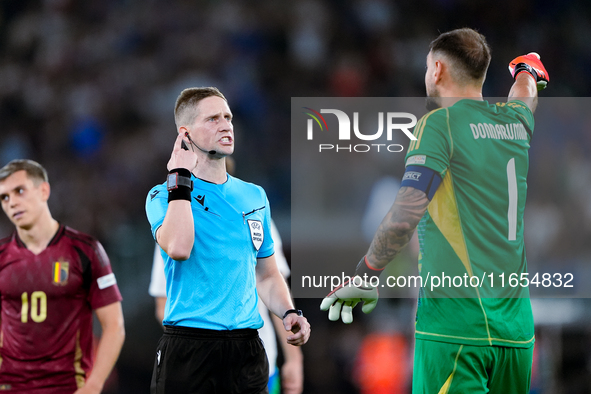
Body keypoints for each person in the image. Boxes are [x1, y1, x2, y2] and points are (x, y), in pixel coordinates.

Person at [321, 28, 549, 393]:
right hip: (516, 333)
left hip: (456, 330)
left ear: (438, 70)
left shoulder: (438, 124)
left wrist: (366, 273)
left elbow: (407, 211)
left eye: (428, 67)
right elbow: (526, 97)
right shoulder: (514, 123)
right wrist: (528, 70)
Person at [145, 86, 310, 394]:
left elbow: (267, 275)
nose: (225, 125)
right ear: (185, 133)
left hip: (247, 350)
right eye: (212, 119)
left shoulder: (254, 196)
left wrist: (288, 312)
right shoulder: (161, 194)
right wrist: (179, 176)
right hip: (189, 347)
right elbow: (179, 248)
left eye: (228, 117)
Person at [0, 159, 125, 394]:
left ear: (43, 190)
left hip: (68, 385)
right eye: (4, 197)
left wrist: (94, 385)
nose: (12, 202)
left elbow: (114, 325)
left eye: (19, 191)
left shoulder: (86, 251)